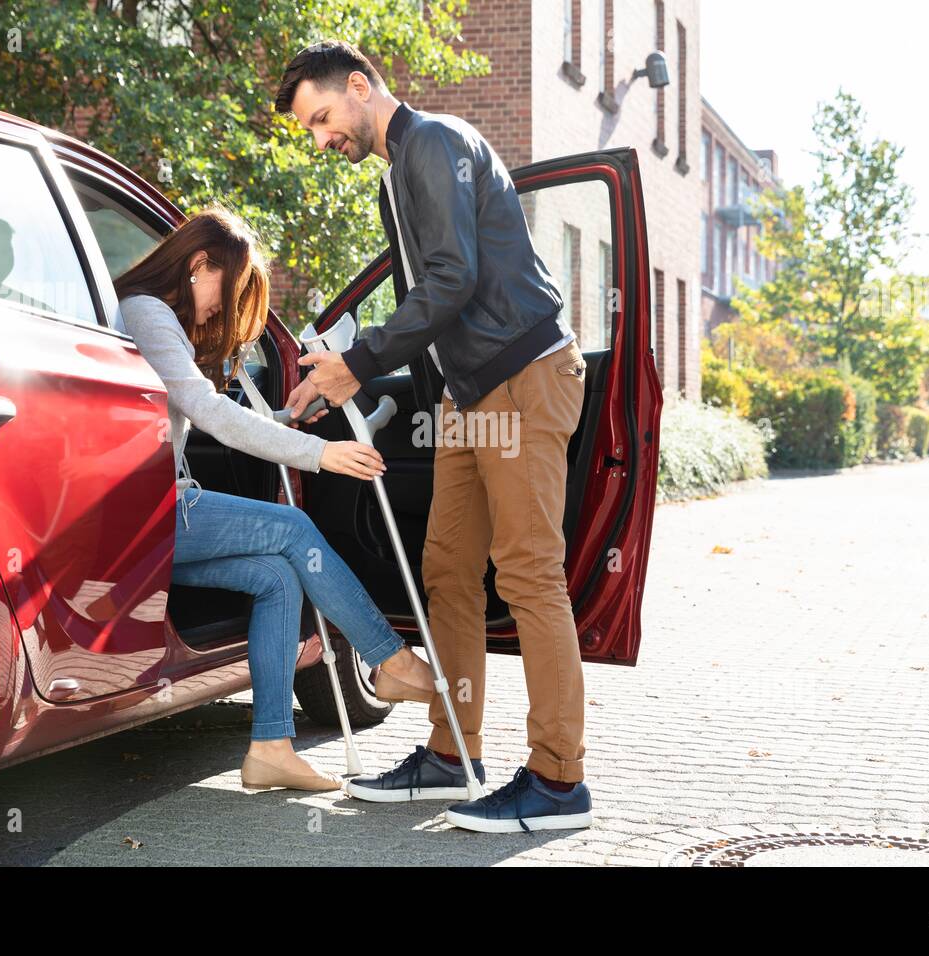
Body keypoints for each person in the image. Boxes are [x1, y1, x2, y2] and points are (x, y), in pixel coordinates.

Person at [275, 41, 593, 832]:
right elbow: (432, 296)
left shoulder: (438, 143)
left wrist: (360, 361)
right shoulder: (396, 174)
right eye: (308, 131)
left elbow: (450, 278)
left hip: (524, 377)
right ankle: (454, 754)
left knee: (527, 576)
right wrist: (355, 369)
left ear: (359, 86)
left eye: (321, 118)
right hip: (468, 396)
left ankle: (559, 781)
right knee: (447, 572)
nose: (320, 140)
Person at [113, 207, 437, 792]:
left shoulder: (152, 316)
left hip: (160, 509)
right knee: (291, 528)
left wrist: (289, 420)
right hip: (153, 511)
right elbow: (208, 410)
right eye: (228, 292)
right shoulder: (146, 312)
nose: (222, 311)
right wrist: (317, 453)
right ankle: (389, 659)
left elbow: (207, 418)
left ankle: (270, 747)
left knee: (275, 577)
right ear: (199, 263)